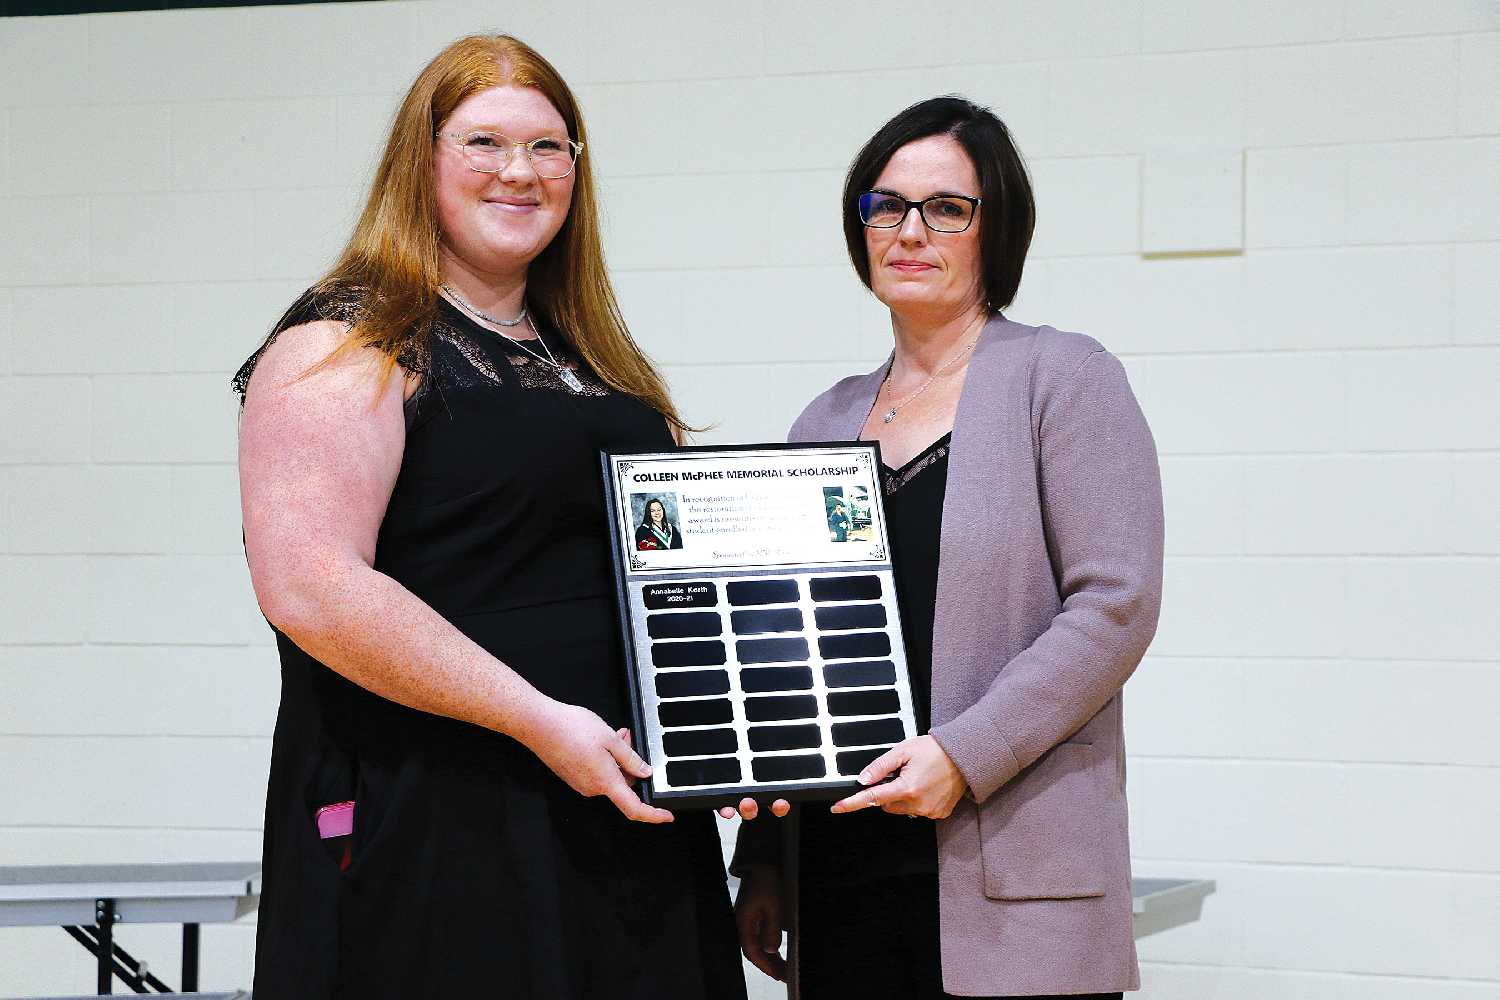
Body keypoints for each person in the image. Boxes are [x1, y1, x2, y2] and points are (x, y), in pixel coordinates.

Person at [234, 35, 744, 1000]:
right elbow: (310, 585)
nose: (521, 171)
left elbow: (665, 577)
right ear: (419, 160)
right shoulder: (343, 342)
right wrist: (539, 720)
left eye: (551, 147)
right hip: (442, 823)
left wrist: (729, 735)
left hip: (618, 812)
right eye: (483, 142)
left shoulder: (592, 359)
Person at [728, 96, 1164, 999]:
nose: (909, 231)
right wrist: (765, 856)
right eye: (885, 206)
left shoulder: (1065, 378)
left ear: (993, 228)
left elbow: (1115, 604)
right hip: (843, 865)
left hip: (1007, 864)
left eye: (945, 208)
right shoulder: (822, 422)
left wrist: (965, 753)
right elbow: (783, 649)